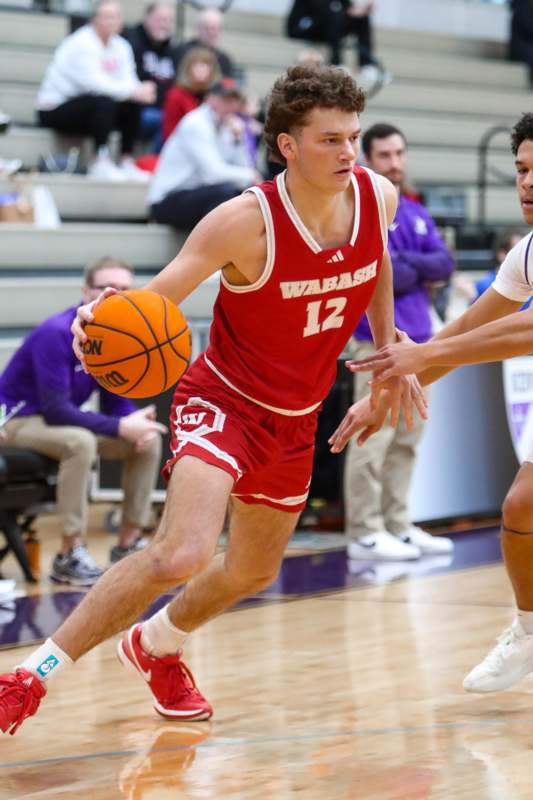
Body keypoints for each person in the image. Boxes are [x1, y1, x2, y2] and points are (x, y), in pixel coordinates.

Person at [0, 64, 426, 735]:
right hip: (222, 400)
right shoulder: (240, 223)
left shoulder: (375, 197)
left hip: (294, 418)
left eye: (351, 137)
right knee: (181, 553)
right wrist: (96, 319)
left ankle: (156, 644)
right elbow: (152, 302)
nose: (348, 152)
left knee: (251, 571)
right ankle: (29, 676)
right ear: (287, 144)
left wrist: (385, 356)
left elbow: (373, 264)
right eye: (329, 140)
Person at [331, 112, 533, 694]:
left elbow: (526, 331)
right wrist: (386, 393)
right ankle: (528, 630)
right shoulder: (527, 252)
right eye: (520, 169)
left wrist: (421, 357)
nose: (527, 182)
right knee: (521, 508)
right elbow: (472, 323)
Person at [0, 257, 165, 587]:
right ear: (86, 290)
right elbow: (56, 410)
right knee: (80, 441)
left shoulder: (114, 336)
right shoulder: (56, 332)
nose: (116, 295)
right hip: (14, 420)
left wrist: (132, 420)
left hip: (50, 422)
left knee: (148, 441)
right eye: (108, 288)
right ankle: (69, 553)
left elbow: (114, 399)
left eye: (125, 290)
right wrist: (119, 427)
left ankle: (128, 544)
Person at [345, 123, 455, 561]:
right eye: (385, 155)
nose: (394, 163)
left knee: (408, 437)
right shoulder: (358, 210)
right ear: (368, 158)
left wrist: (406, 263)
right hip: (375, 342)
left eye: (399, 154)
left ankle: (397, 523)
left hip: (421, 343)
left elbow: (444, 264)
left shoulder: (412, 209)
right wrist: (415, 267)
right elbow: (386, 271)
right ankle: (364, 532)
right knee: (374, 434)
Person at [36, 0, 156, 181]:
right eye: (106, 17)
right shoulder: (81, 43)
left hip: (90, 107)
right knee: (104, 101)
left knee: (132, 102)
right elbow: (94, 84)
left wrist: (141, 90)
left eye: (115, 17)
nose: (111, 21)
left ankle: (126, 160)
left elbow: (129, 80)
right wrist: (134, 91)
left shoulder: (122, 46)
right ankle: (100, 159)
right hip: (55, 108)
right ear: (94, 20)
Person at [149, 79, 259, 230]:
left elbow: (245, 169)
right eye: (225, 99)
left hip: (199, 195)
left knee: (247, 195)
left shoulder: (229, 126)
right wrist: (250, 175)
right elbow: (213, 174)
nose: (231, 105)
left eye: (234, 100)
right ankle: (212, 251)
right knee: (224, 194)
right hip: (166, 201)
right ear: (210, 99)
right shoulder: (196, 123)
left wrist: (238, 140)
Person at [286, 1, 388, 90]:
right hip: (303, 29)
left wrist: (361, 10)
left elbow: (349, 9)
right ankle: (336, 62)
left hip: (328, 27)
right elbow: (321, 10)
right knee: (334, 14)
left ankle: (366, 64)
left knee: (361, 17)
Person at [124, 2, 181, 150]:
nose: (164, 25)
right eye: (160, 19)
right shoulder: (130, 42)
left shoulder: (173, 50)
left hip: (162, 107)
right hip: (135, 109)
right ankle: (156, 165)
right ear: (146, 19)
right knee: (165, 120)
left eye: (168, 20)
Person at [162, 46, 220, 142]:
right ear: (187, 69)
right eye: (196, 65)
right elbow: (169, 132)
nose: (201, 69)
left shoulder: (216, 95)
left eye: (205, 65)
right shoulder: (176, 95)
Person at [174, 7, 236, 80]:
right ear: (198, 29)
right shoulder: (182, 52)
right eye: (207, 28)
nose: (211, 33)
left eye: (214, 28)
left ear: (220, 31)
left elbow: (227, 86)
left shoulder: (224, 59)